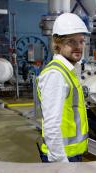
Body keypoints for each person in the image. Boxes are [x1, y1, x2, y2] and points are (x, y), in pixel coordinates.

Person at [36, 13, 90, 162]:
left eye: (81, 41)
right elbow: (51, 126)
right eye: (71, 42)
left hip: (71, 154)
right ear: (57, 44)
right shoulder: (56, 75)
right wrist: (61, 163)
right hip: (63, 158)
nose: (79, 46)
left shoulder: (68, 71)